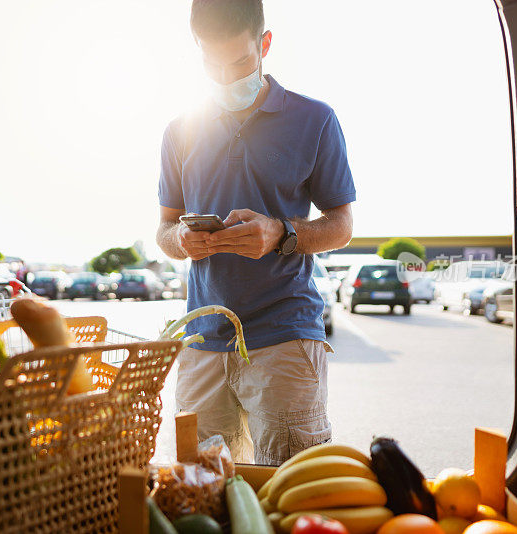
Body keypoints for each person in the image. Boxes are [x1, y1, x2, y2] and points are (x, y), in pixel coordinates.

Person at [156, 0, 356, 465]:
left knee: (290, 485)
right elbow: (164, 229)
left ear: (265, 44)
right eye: (212, 63)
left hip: (285, 334)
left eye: (240, 62)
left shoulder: (316, 120)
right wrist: (180, 242)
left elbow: (342, 226)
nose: (227, 77)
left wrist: (281, 232)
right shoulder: (178, 131)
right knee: (203, 489)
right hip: (202, 340)